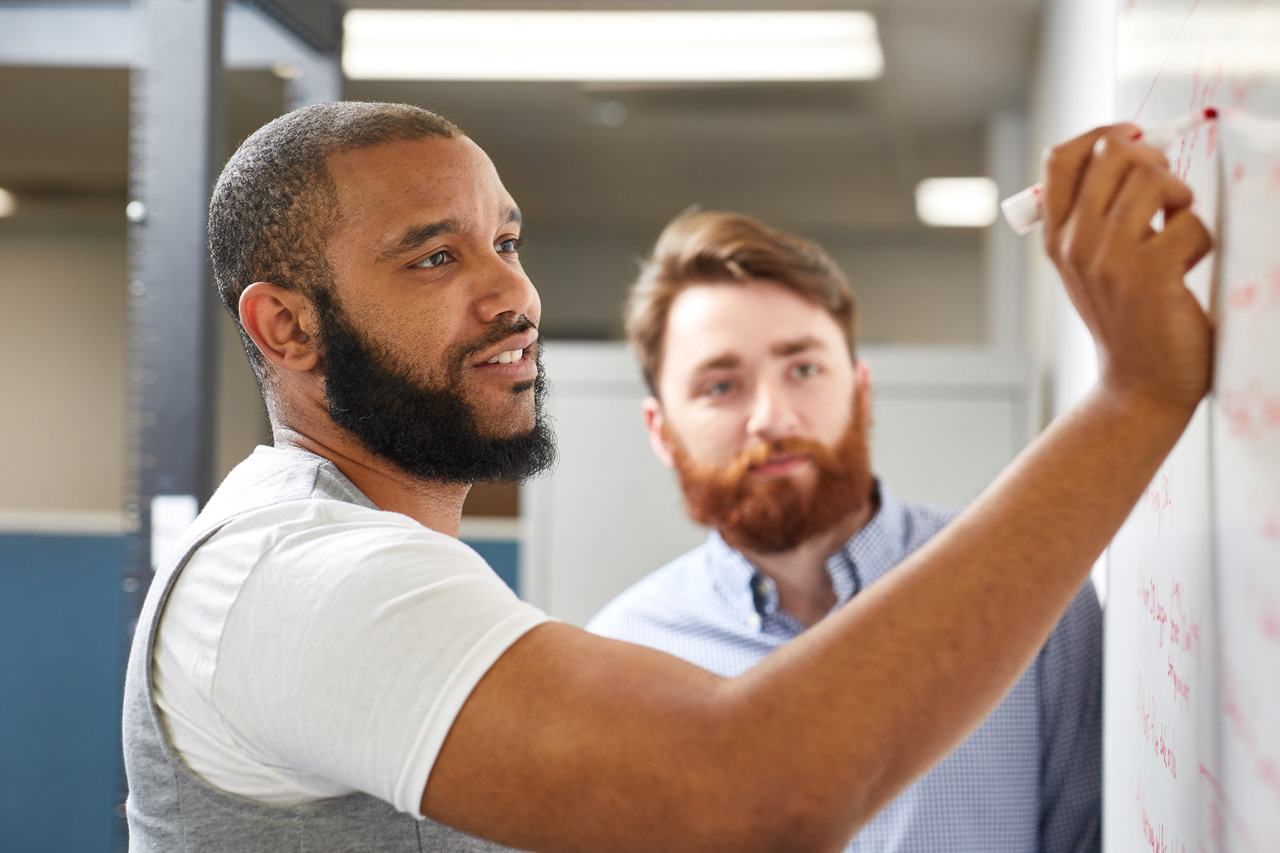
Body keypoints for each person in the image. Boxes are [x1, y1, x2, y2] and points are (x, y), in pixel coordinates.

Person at [123, 100, 1213, 852]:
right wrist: (1136, 398)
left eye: (507, 241)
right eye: (434, 256)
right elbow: (754, 790)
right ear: (287, 325)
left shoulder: (396, 573)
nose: (513, 295)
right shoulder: (306, 576)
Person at [587, 209, 1102, 852]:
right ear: (661, 431)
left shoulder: (1032, 596)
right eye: (722, 386)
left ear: (861, 392)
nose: (772, 418)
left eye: (802, 369)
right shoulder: (618, 661)